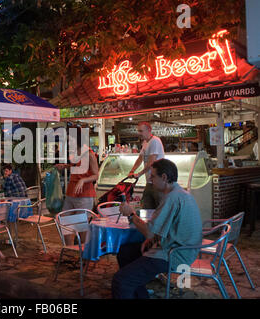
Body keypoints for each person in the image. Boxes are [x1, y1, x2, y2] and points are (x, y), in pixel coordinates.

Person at [112, 158, 202, 299]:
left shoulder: (171, 198)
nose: (150, 179)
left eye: (153, 176)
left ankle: (130, 286)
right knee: (125, 252)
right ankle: (140, 295)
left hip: (175, 254)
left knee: (121, 280)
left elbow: (149, 232)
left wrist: (131, 214)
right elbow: (165, 229)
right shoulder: (180, 193)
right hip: (184, 248)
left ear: (164, 177)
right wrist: (154, 240)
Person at [55, 126, 99, 245]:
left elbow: (96, 175)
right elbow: (78, 167)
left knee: (82, 226)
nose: (68, 142)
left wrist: (83, 180)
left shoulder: (89, 154)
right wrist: (65, 166)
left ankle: (82, 253)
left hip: (85, 195)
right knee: (64, 221)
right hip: (71, 193)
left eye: (70, 139)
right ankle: (69, 249)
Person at [128, 122, 165, 209]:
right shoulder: (145, 142)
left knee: (159, 208)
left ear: (149, 130)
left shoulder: (155, 141)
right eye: (138, 131)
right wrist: (132, 170)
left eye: (141, 131)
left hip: (158, 182)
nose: (139, 133)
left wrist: (139, 174)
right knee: (146, 207)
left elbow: (152, 162)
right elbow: (140, 158)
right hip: (150, 181)